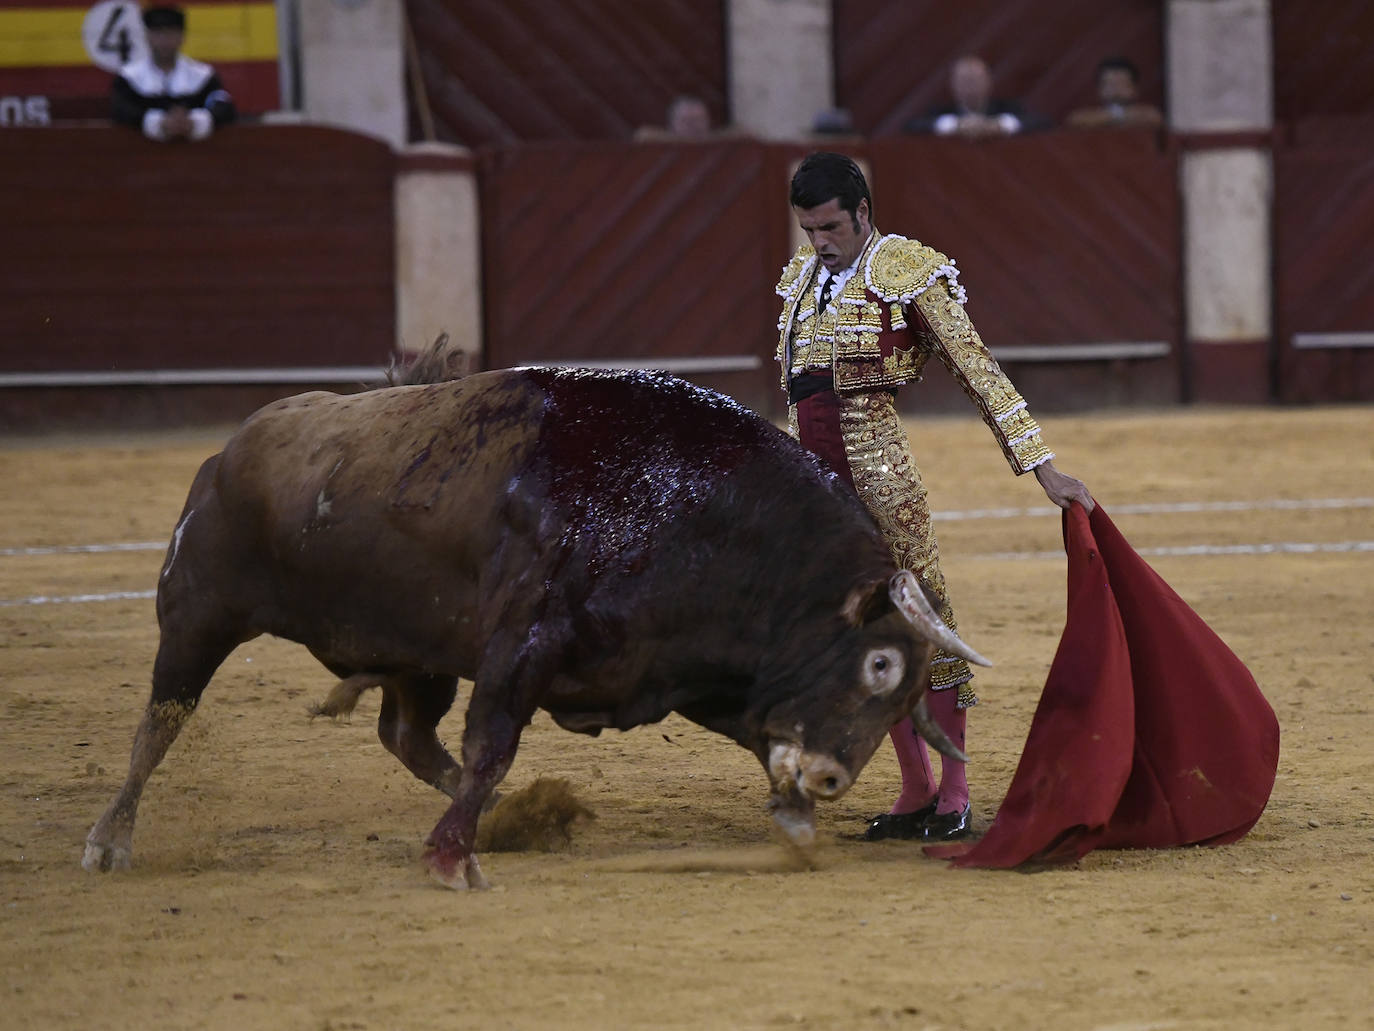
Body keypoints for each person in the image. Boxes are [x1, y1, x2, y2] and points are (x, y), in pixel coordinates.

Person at [775, 152, 1093, 843]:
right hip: (817, 492)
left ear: (863, 212)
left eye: (830, 226)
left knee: (927, 627)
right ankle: (916, 785)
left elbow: (978, 368)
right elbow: (798, 396)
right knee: (863, 635)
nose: (819, 242)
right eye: (808, 229)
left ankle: (955, 793)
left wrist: (1042, 468)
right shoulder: (801, 280)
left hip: (882, 482)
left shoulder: (906, 270)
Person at [111, 5, 235, 143]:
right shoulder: (129, 77)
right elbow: (120, 108)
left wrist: (194, 122)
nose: (164, 40)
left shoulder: (202, 75)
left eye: (171, 33)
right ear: (147, 37)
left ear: (182, 37)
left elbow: (222, 103)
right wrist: (159, 123)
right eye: (158, 33)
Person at [904, 55, 1033, 138]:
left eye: (975, 80)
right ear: (953, 84)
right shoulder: (939, 111)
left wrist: (997, 126)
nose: (970, 86)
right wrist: (956, 126)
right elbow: (911, 126)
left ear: (988, 82)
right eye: (965, 80)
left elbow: (1041, 123)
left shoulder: (1009, 108)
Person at [1065, 57, 1164, 129]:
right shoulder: (1085, 116)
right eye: (1109, 84)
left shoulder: (1148, 113)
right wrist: (1120, 116)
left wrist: (1106, 119)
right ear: (1100, 89)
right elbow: (1074, 121)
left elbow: (1155, 119)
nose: (1115, 89)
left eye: (1121, 83)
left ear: (1134, 89)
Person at [634, 95, 712, 141]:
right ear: (671, 124)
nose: (692, 125)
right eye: (685, 121)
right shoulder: (658, 149)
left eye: (698, 120)